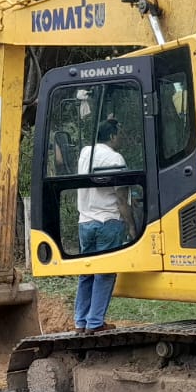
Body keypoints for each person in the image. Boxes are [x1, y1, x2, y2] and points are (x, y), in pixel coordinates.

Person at [74, 117, 134, 335]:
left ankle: (80, 322)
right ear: (112, 136)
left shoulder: (85, 153)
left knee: (86, 272)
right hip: (108, 221)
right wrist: (131, 225)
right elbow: (121, 198)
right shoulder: (115, 158)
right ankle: (95, 322)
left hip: (85, 222)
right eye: (120, 135)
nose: (122, 139)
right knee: (105, 273)